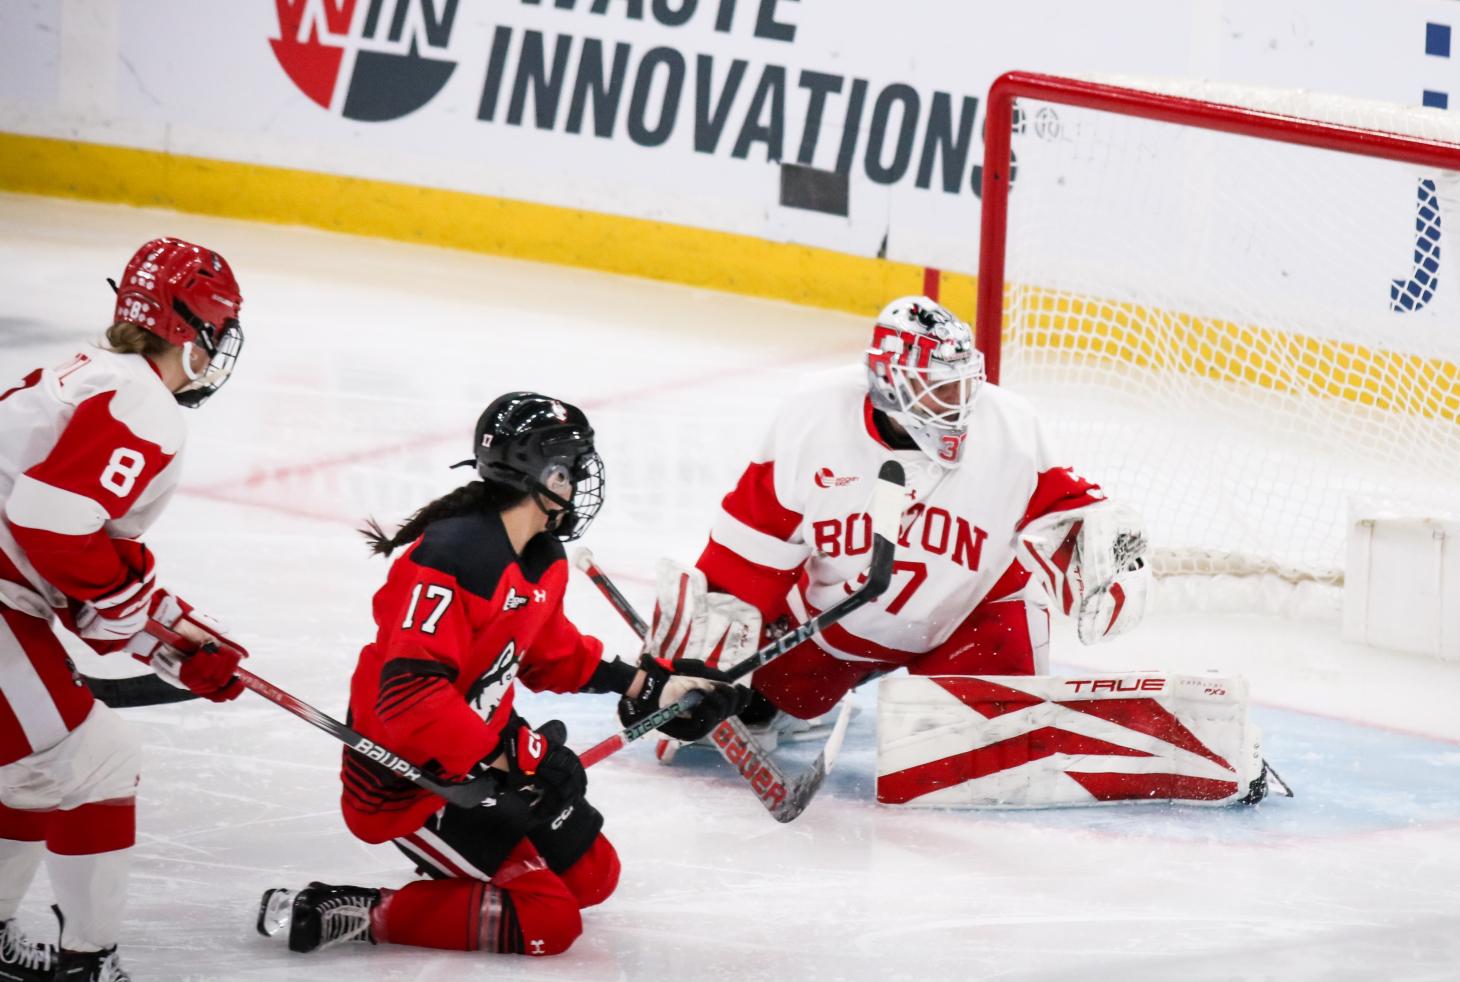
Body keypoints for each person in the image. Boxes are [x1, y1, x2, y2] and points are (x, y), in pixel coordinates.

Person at [255, 393, 742, 956]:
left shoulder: (538, 554)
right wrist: (516, 758)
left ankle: (470, 871)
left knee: (594, 876)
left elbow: (548, 651)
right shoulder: (452, 557)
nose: (582, 481)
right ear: (547, 472)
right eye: (575, 468)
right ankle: (362, 912)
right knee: (549, 922)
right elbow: (411, 700)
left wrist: (648, 685)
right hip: (411, 777)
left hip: (478, 751)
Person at [659, 297, 1151, 745]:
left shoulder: (1011, 426)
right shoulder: (814, 417)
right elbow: (751, 545)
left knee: (994, 740)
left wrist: (1104, 546)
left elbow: (1067, 510)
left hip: (970, 619)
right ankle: (795, 703)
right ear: (889, 381)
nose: (956, 400)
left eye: (961, 382)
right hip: (837, 624)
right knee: (753, 707)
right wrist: (703, 665)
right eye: (938, 387)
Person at [0, 238, 249, 980]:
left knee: (53, 769)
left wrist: (170, 638)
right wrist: (136, 614)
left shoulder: (98, 375)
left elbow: (65, 556)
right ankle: (89, 964)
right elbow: (48, 523)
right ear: (192, 328)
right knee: (88, 761)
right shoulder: (144, 402)